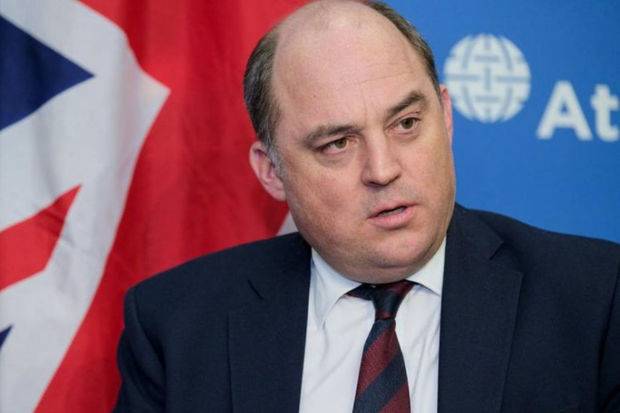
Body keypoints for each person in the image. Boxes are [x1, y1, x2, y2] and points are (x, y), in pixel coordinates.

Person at [113, 1, 620, 412]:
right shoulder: (176, 326)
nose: (383, 169)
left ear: (445, 115)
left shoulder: (595, 299)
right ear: (272, 171)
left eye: (406, 124)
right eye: (337, 143)